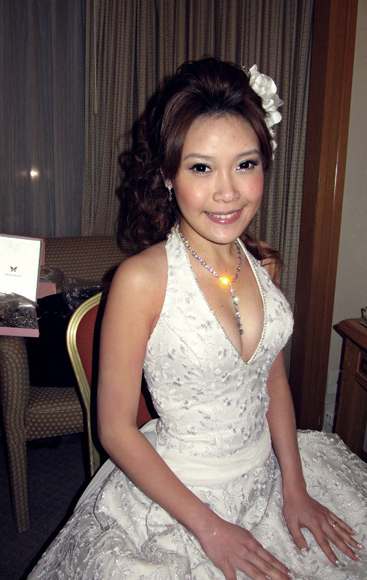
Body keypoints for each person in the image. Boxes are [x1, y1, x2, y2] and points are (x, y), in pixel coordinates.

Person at [28, 58, 367, 580]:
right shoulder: (139, 281)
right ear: (168, 174)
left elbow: (272, 380)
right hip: (185, 495)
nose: (227, 192)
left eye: (245, 164)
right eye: (201, 168)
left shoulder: (263, 264)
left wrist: (295, 487)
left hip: (271, 470)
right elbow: (115, 429)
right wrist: (212, 530)